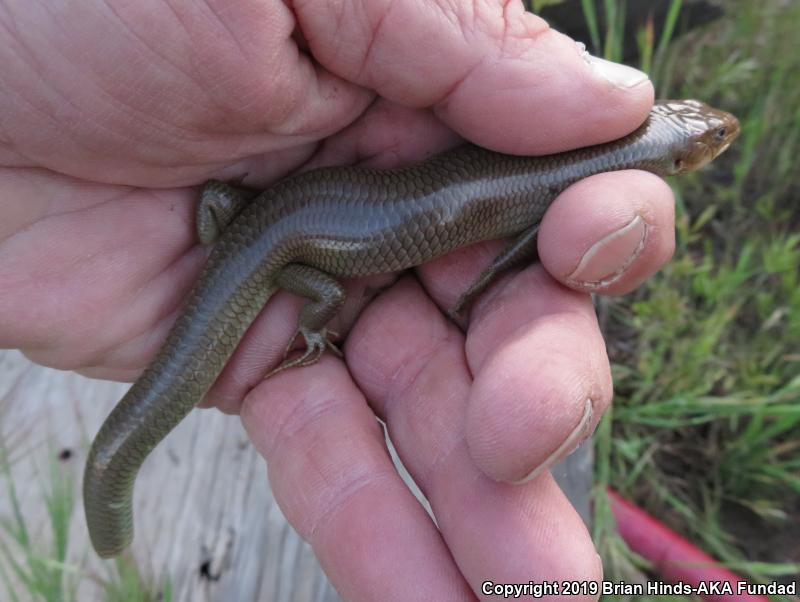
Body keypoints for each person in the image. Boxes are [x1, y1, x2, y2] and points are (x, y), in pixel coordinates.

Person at [0, 2, 676, 600]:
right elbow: (513, 250)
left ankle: (117, 510)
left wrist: (229, 236)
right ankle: (310, 330)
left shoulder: (557, 153)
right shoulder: (568, 159)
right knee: (319, 294)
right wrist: (315, 325)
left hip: (262, 223)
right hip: (302, 259)